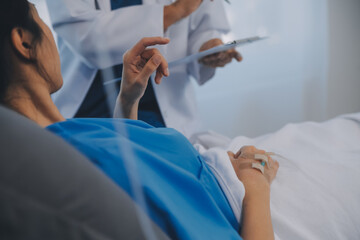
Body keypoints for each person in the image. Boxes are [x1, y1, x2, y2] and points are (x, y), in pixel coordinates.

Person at [0, 1, 276, 239]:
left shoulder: (77, 134)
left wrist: (128, 100)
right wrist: (255, 182)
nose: (49, 33)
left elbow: (123, 155)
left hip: (231, 174)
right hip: (250, 197)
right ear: (24, 42)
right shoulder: (75, 156)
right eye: (39, 19)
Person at [45, 0, 242, 137]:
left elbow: (202, 27)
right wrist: (175, 11)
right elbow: (85, 38)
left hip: (165, 119)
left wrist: (208, 48)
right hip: (92, 114)